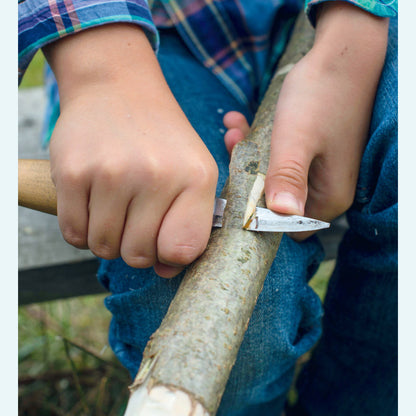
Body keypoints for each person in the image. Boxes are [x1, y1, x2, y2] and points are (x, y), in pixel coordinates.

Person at [18, 0, 398, 414]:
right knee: (240, 321)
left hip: (364, 17)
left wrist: (352, 37)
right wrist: (102, 70)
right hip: (145, 32)